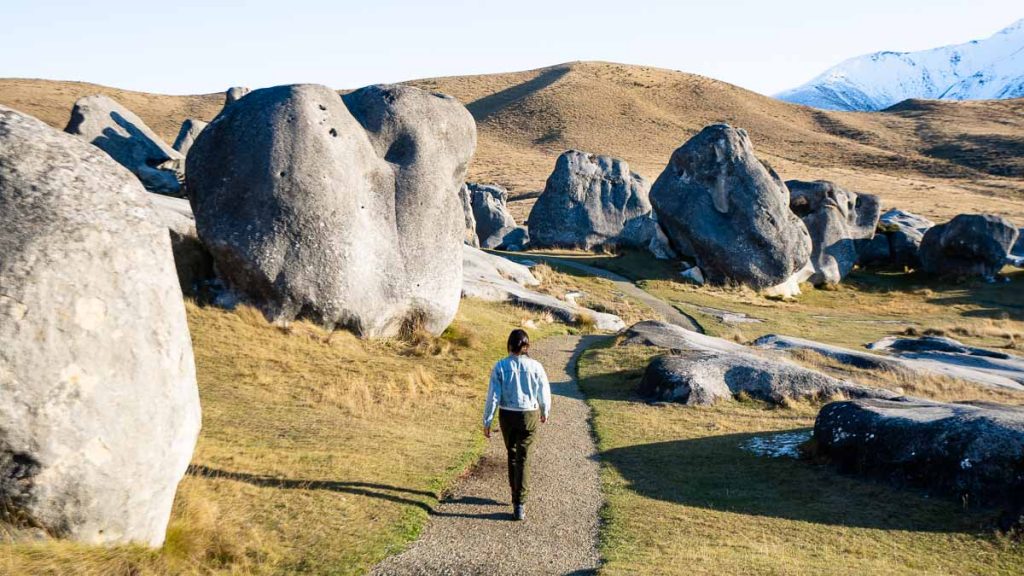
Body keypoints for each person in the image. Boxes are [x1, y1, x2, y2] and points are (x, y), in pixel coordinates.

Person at [482, 329, 551, 521]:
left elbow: (493, 396)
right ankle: (520, 503)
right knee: (524, 457)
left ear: (509, 345)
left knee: (512, 455)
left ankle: (515, 496)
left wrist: (487, 420)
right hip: (528, 414)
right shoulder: (536, 366)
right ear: (527, 346)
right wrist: (545, 411)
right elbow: (543, 391)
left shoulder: (500, 366)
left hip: (507, 415)